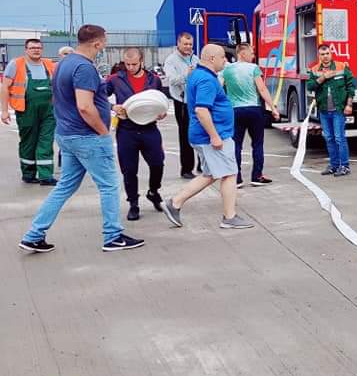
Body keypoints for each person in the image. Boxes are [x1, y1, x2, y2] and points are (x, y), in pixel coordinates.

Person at [18, 25, 144, 253]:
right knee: (109, 185)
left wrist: (107, 109)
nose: (104, 46)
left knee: (64, 186)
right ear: (97, 43)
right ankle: (113, 236)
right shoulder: (84, 67)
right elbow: (85, 106)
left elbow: (60, 99)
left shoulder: (63, 64)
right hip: (87, 137)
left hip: (67, 135)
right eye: (104, 42)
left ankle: (34, 235)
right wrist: (103, 132)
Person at [161, 44, 254, 230]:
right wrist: (215, 136)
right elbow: (202, 110)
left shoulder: (198, 74)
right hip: (213, 136)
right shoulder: (206, 79)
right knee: (229, 174)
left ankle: (175, 203)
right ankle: (229, 217)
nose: (225, 61)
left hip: (205, 135)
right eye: (222, 57)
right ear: (212, 59)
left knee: (211, 174)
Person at [104, 47, 166, 221]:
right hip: (127, 130)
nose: (130, 67)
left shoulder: (154, 80)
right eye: (127, 64)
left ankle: (153, 191)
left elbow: (160, 100)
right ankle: (133, 203)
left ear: (142, 61)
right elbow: (98, 96)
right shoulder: (115, 79)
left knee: (157, 163)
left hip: (149, 128)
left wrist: (161, 112)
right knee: (129, 169)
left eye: (134, 64)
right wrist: (112, 106)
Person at [222, 42, 280, 187]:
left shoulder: (227, 70)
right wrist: (272, 107)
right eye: (251, 53)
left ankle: (236, 178)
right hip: (254, 109)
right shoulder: (254, 68)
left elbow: (219, 87)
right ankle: (257, 176)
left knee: (236, 145)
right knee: (257, 144)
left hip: (235, 110)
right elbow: (262, 89)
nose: (253, 56)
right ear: (242, 53)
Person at [1, 38, 57, 185]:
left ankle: (46, 176)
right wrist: (4, 111)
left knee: (46, 141)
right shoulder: (16, 64)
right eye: (32, 48)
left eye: (38, 48)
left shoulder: (49, 64)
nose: (36, 50)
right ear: (26, 50)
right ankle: (28, 174)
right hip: (26, 110)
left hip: (48, 111)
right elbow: (4, 87)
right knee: (28, 142)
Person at [306, 43, 355, 176]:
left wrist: (349, 105)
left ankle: (344, 166)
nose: (325, 56)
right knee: (329, 138)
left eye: (327, 53)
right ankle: (334, 165)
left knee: (339, 138)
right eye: (322, 54)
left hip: (338, 110)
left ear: (331, 54)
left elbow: (351, 87)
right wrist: (323, 77)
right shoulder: (314, 70)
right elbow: (310, 86)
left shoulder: (341, 67)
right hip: (323, 110)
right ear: (319, 56)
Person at [163, 32, 199, 179]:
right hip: (182, 102)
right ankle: (186, 169)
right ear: (178, 43)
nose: (188, 47)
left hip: (196, 101)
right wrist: (187, 75)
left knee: (201, 132)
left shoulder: (195, 58)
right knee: (185, 136)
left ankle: (202, 164)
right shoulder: (171, 60)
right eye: (185, 44)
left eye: (190, 44)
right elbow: (171, 80)